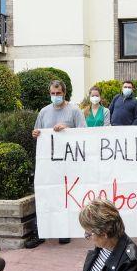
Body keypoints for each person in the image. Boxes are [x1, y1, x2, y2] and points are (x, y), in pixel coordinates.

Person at [32, 80, 86, 246]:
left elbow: (85, 133)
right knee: (46, 195)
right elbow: (37, 132)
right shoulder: (44, 112)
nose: (55, 96)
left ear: (64, 93)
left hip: (68, 163)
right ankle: (41, 232)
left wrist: (67, 130)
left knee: (65, 196)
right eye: (52, 94)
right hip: (49, 163)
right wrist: (35, 134)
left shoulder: (74, 111)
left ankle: (64, 231)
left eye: (58, 94)